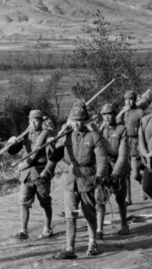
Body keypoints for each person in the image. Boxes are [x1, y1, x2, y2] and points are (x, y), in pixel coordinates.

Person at [45, 105, 108, 259]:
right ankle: (69, 248)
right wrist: (54, 140)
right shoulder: (66, 136)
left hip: (87, 181)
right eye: (74, 120)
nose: (76, 124)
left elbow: (102, 160)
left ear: (85, 121)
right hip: (70, 182)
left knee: (88, 213)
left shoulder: (93, 136)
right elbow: (53, 156)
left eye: (80, 120)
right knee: (71, 215)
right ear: (70, 121)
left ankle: (92, 242)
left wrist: (100, 175)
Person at [6, 109, 54, 241]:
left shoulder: (45, 133)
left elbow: (33, 156)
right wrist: (11, 143)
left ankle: (47, 228)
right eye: (31, 120)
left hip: (40, 173)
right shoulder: (26, 134)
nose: (33, 123)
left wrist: (18, 166)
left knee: (45, 201)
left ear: (41, 121)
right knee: (23, 202)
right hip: (26, 175)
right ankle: (23, 230)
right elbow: (13, 152)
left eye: (36, 120)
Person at [95, 103, 130, 237]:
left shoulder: (121, 130)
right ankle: (99, 229)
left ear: (115, 115)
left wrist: (116, 173)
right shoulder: (100, 129)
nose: (107, 117)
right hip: (104, 167)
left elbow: (123, 155)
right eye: (104, 115)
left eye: (109, 114)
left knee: (120, 198)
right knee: (100, 198)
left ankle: (124, 225)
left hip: (119, 168)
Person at [122, 89, 151, 203]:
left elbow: (145, 130)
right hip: (125, 144)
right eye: (126, 100)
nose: (128, 102)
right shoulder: (124, 112)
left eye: (131, 100)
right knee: (125, 174)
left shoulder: (140, 112)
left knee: (135, 174)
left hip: (137, 143)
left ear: (135, 100)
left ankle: (143, 185)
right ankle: (127, 198)